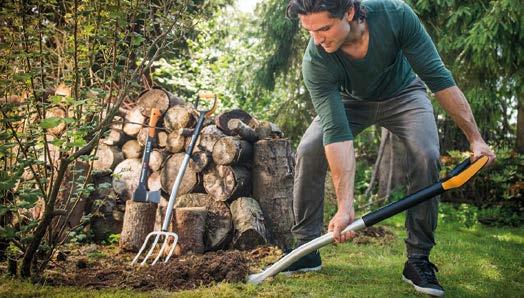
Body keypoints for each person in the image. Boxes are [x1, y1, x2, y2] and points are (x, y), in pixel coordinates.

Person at [283, 0, 496, 296]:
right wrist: (345, 207)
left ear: (349, 12)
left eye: (324, 29)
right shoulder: (316, 60)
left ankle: (418, 259)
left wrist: (475, 139)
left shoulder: (394, 14)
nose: (317, 39)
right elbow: (336, 131)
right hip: (350, 102)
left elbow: (437, 77)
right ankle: (305, 250)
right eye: (309, 31)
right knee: (309, 148)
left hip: (404, 94)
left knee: (426, 154)